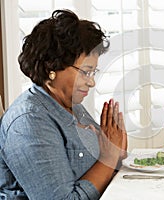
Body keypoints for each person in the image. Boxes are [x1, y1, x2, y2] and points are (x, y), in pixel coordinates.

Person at [0, 9, 127, 199]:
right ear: (51, 67)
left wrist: (117, 152)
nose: (91, 82)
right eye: (85, 71)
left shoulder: (70, 105)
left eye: (93, 73)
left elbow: (104, 166)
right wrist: (109, 158)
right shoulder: (28, 122)